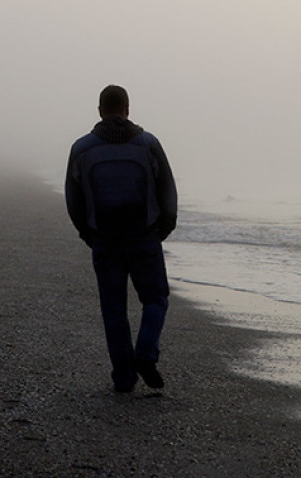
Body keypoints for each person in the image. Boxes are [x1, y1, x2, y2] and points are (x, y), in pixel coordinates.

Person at [65, 85, 178, 392]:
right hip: (144, 238)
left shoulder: (82, 149)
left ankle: (124, 378)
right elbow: (167, 189)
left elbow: (73, 200)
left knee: (113, 309)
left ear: (100, 111)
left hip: (105, 240)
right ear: (128, 109)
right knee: (155, 299)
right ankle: (146, 352)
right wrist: (162, 230)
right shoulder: (148, 143)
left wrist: (88, 233)